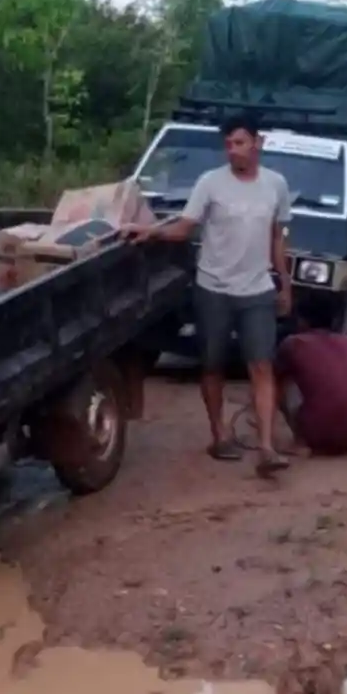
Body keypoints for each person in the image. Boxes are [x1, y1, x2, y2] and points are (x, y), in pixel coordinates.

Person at [122, 114, 292, 473]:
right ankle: (219, 435)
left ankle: (265, 447)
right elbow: (184, 228)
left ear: (257, 143)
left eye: (240, 143)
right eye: (228, 144)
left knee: (261, 365)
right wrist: (149, 231)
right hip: (213, 287)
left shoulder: (276, 185)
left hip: (257, 288)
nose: (234, 151)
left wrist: (284, 283)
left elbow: (277, 238)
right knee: (211, 365)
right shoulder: (210, 183)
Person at [275, 297, 347, 456]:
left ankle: (299, 441)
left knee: (281, 382)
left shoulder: (294, 343)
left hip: (319, 436)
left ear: (302, 320)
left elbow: (275, 374)